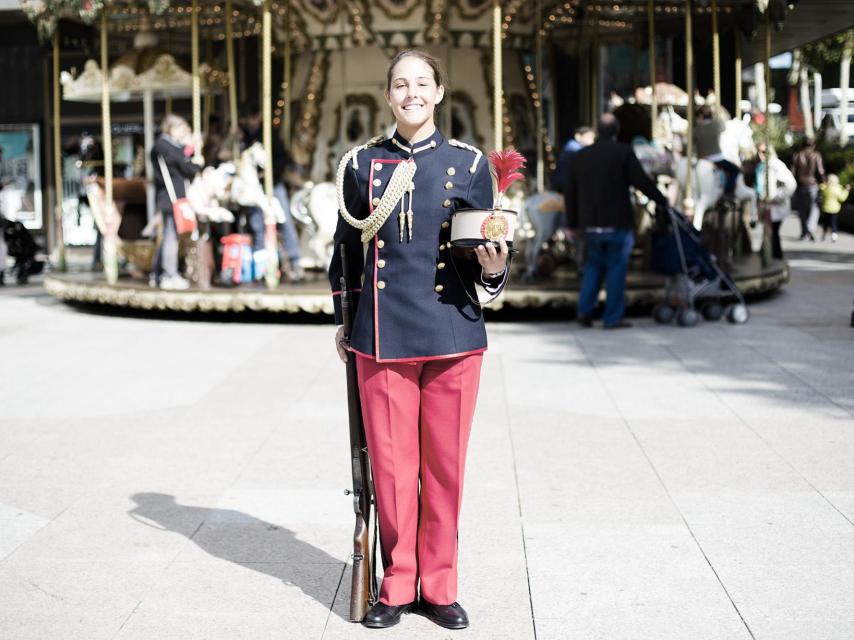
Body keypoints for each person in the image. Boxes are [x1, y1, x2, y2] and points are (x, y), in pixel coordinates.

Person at [328, 49, 509, 630]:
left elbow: (484, 251)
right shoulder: (361, 165)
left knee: (445, 468)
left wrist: (492, 266)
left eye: (422, 83)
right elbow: (345, 251)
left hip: (453, 329)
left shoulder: (470, 162)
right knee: (392, 468)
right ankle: (397, 583)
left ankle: (441, 584)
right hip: (381, 334)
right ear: (388, 96)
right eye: (400, 84)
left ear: (438, 93)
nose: (412, 93)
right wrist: (344, 320)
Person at [563, 113, 669, 329]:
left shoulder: (580, 157)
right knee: (615, 269)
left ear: (597, 131)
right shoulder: (623, 153)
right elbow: (642, 182)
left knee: (593, 266)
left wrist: (572, 223)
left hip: (590, 224)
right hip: (617, 222)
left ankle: (585, 311)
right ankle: (612, 317)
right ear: (616, 131)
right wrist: (661, 199)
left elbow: (570, 193)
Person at [238, 103, 303, 280]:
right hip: (255, 188)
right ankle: (261, 264)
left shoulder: (269, 134)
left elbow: (282, 158)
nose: (249, 122)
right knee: (257, 223)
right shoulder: (244, 136)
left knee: (284, 220)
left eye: (251, 118)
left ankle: (295, 260)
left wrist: (269, 173)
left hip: (272, 184)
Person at [151, 114, 203, 290]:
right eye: (181, 128)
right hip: (170, 197)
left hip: (175, 196)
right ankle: (168, 275)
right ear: (172, 128)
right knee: (171, 237)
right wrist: (190, 148)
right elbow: (182, 162)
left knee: (169, 235)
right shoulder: (162, 145)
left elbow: (188, 167)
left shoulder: (170, 146)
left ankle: (157, 273)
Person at [755, 143, 797, 260]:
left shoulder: (776, 165)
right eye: (758, 152)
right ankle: (767, 254)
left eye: (763, 152)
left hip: (775, 206)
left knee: (772, 232)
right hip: (766, 205)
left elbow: (791, 184)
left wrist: (776, 196)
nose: (760, 155)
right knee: (769, 232)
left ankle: (775, 257)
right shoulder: (762, 166)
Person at [790, 138, 826, 241]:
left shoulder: (796, 155)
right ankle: (810, 228)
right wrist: (824, 182)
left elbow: (792, 172)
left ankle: (804, 233)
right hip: (812, 185)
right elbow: (820, 171)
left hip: (800, 185)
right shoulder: (816, 155)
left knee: (802, 210)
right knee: (815, 208)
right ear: (813, 145)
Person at [549, 126, 594, 193]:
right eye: (588, 137)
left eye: (592, 138)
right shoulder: (574, 148)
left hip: (564, 182)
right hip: (565, 183)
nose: (591, 140)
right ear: (578, 136)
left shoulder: (574, 147)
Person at [819, 174, 851, 242]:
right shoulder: (837, 189)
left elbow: (821, 190)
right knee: (833, 223)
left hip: (825, 209)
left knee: (825, 222)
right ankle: (834, 235)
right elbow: (842, 198)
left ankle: (824, 233)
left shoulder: (825, 188)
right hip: (834, 210)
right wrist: (846, 191)